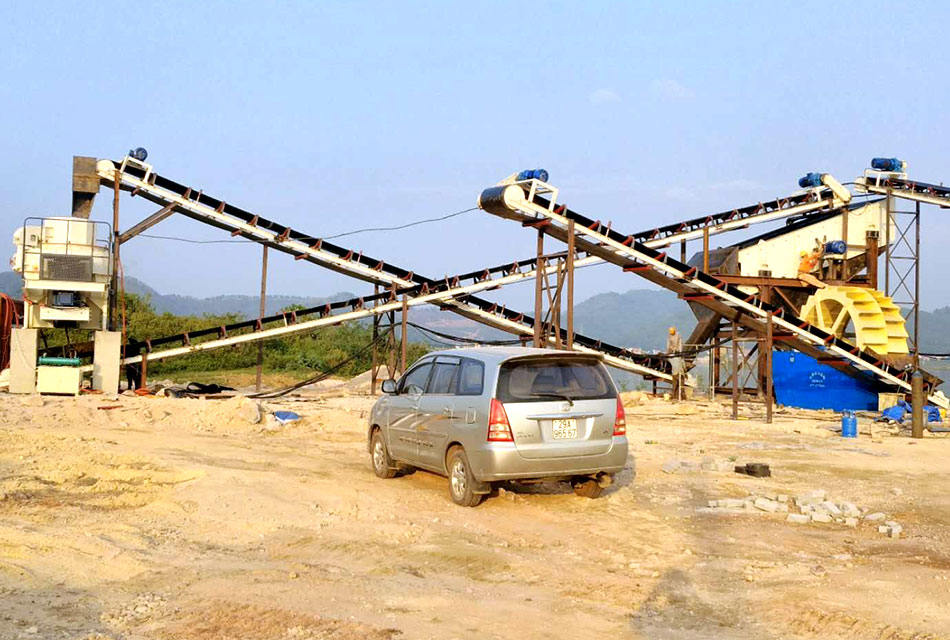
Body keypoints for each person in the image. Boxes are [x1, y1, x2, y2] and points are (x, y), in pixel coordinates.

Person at [667, 326, 686, 402]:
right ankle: (677, 397)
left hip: (678, 372)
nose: (671, 332)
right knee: (677, 385)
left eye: (672, 331)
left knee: (678, 385)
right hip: (677, 372)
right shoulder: (669, 337)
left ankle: (679, 397)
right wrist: (669, 351)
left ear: (674, 330)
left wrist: (679, 351)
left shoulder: (678, 335)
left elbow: (680, 344)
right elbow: (668, 345)